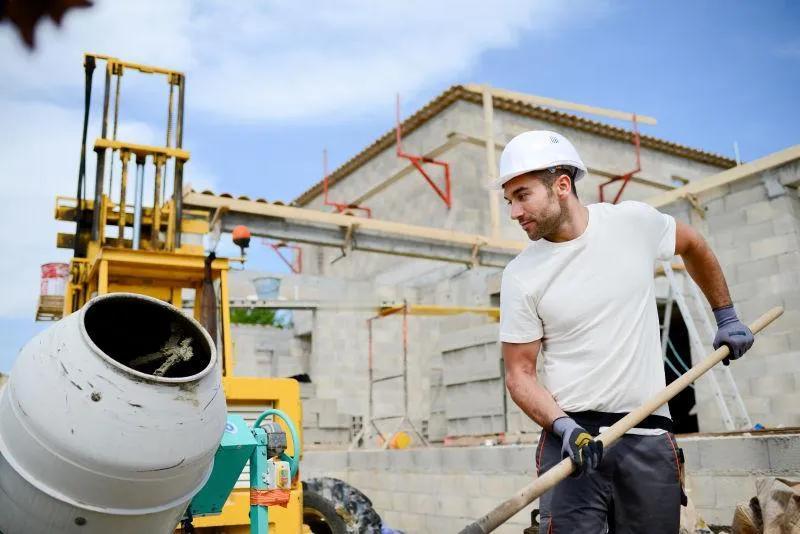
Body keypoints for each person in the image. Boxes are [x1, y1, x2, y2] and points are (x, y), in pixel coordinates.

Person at [496, 130, 754, 533]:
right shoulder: (521, 276)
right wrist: (565, 428)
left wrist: (726, 316)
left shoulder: (631, 223)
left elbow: (694, 245)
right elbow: (520, 374)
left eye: (522, 195)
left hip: (649, 437)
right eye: (508, 199)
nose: (514, 212)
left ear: (562, 185)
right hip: (572, 444)